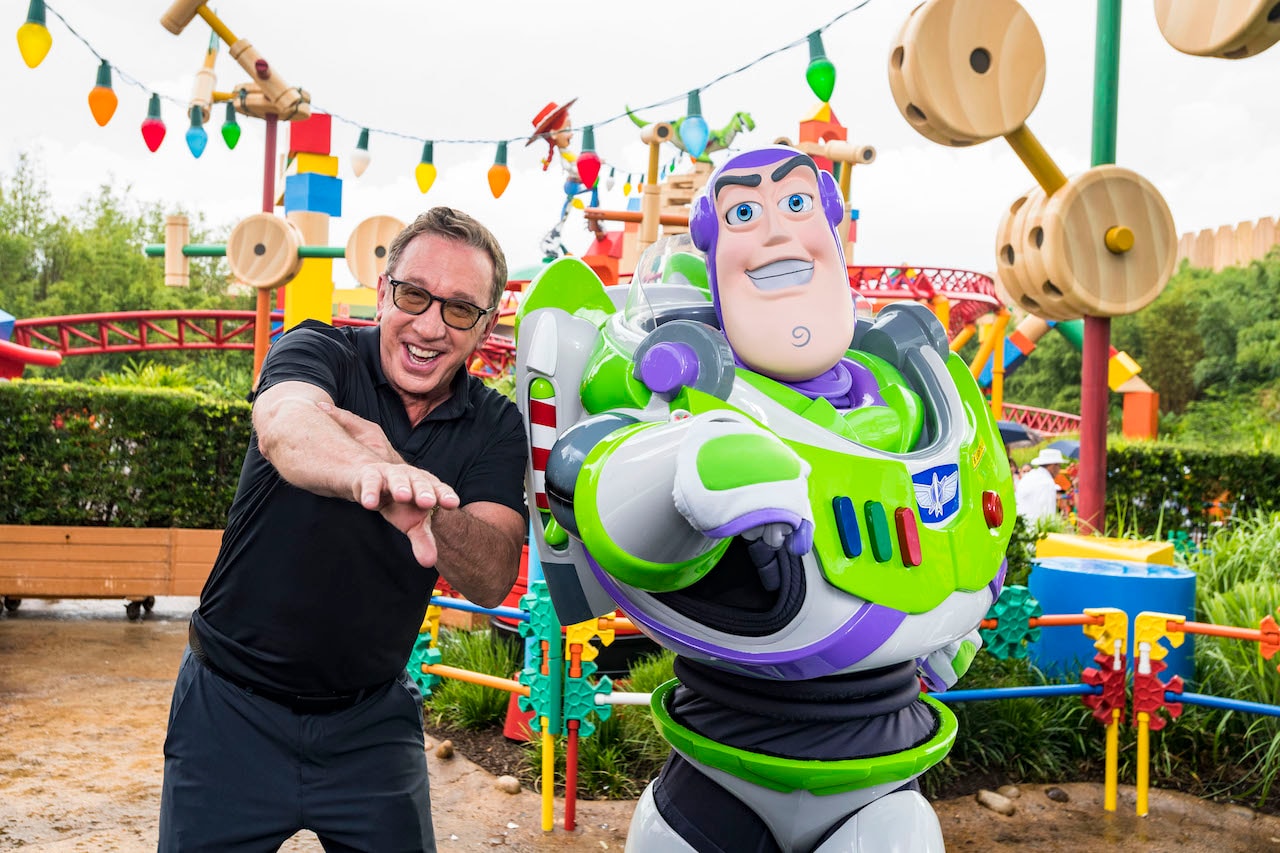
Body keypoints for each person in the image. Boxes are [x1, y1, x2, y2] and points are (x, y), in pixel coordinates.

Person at [158, 207, 528, 852]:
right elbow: (287, 426)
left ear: (486, 325)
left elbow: (494, 577)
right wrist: (372, 472)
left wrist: (418, 496)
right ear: (384, 291)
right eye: (414, 295)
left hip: (372, 726)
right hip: (228, 713)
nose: (430, 326)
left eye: (460, 309)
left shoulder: (494, 424)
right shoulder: (318, 347)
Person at [1015, 446, 1068, 525]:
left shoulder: (1029, 476)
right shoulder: (1047, 482)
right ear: (1053, 466)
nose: (1059, 470)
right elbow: (1047, 514)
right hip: (1036, 530)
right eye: (1059, 466)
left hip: (1022, 526)